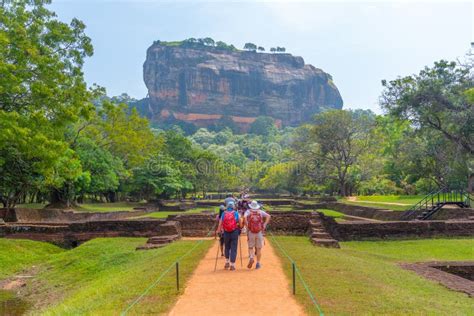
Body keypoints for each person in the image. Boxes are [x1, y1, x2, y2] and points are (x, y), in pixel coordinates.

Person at [244, 200, 271, 270]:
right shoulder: (260, 212)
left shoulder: (248, 211)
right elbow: (268, 216)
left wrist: (247, 226)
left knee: (250, 247)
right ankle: (258, 263)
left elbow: (244, 218)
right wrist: (264, 225)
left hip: (251, 231)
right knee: (259, 249)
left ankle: (251, 258)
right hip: (259, 232)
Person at [217, 201, 242, 271]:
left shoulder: (224, 213)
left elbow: (220, 223)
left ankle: (227, 262)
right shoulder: (236, 213)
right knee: (234, 248)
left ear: (227, 206)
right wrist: (241, 227)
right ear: (233, 206)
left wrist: (219, 232)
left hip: (226, 232)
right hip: (234, 232)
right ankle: (232, 265)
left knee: (227, 247)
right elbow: (240, 222)